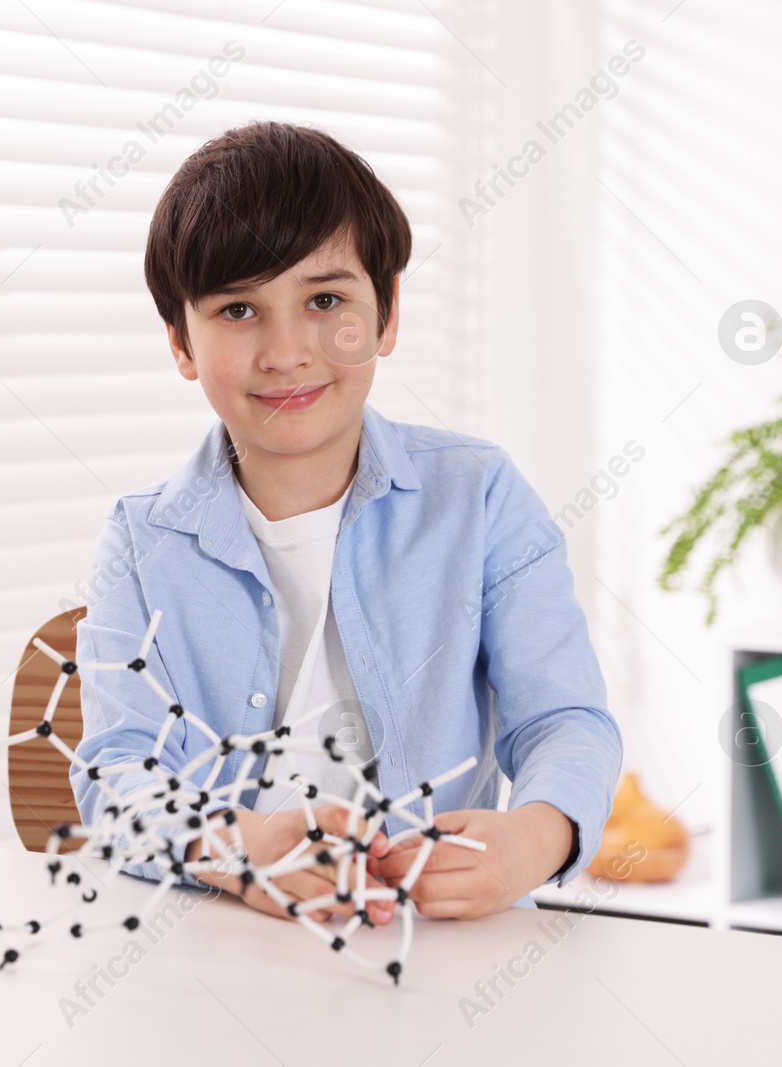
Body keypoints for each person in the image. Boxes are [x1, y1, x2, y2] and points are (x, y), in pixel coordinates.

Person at [71, 120, 621, 924]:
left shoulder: (480, 496)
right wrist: (236, 844)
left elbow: (565, 718)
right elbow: (117, 770)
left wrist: (534, 837)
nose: (287, 350)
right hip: (222, 949)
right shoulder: (140, 539)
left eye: (325, 300)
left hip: (435, 948)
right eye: (237, 310)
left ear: (387, 313)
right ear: (180, 342)